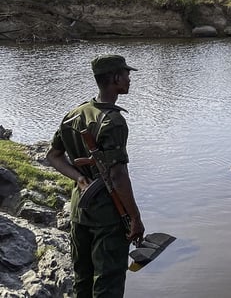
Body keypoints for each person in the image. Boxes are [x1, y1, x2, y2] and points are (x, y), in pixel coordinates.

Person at [46, 54, 145, 298]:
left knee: (83, 280)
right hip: (108, 217)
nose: (129, 79)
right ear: (115, 78)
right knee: (107, 284)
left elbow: (54, 156)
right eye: (126, 74)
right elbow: (118, 176)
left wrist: (78, 178)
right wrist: (135, 218)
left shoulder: (74, 114)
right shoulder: (114, 121)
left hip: (79, 212)